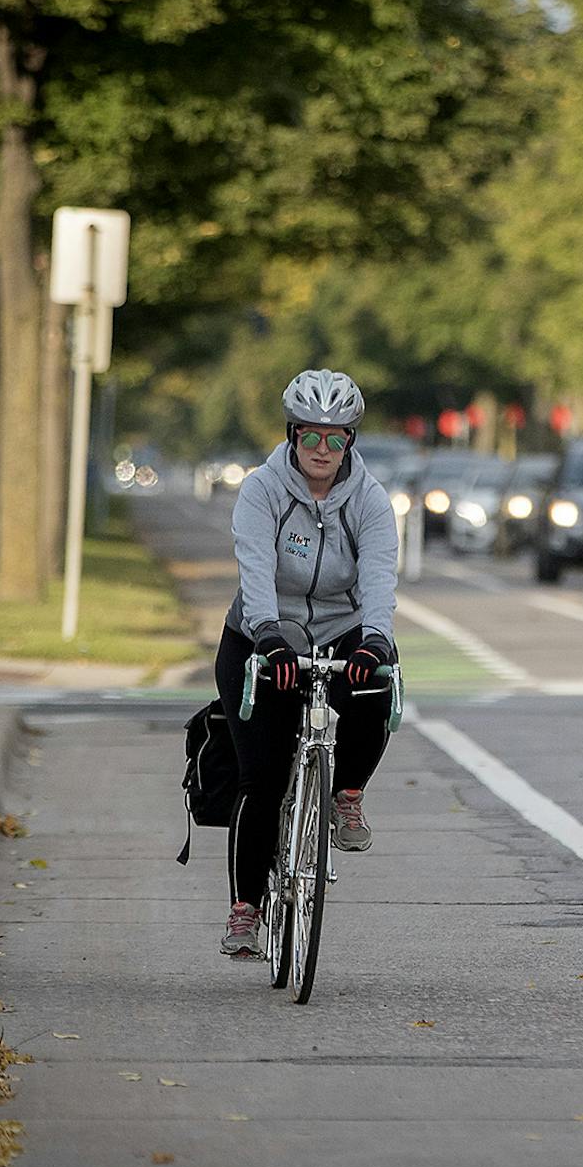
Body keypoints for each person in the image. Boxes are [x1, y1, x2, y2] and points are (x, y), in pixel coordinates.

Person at [214, 370, 400, 958]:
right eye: (311, 437)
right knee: (262, 779)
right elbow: (254, 569)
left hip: (340, 629)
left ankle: (346, 791)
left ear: (351, 442)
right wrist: (269, 637)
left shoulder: (370, 501)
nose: (323, 450)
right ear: (291, 435)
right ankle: (244, 911)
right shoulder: (261, 491)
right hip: (261, 635)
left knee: (376, 684)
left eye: (337, 438)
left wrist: (376, 639)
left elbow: (377, 578)